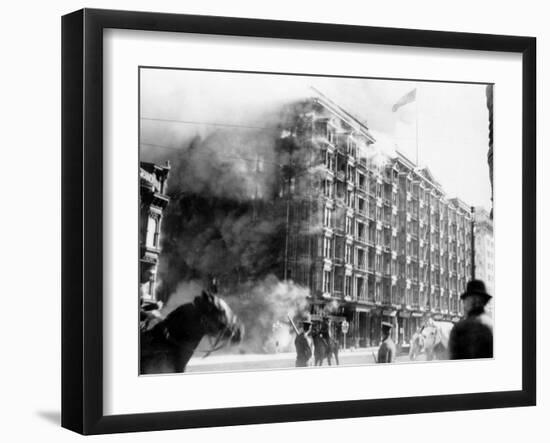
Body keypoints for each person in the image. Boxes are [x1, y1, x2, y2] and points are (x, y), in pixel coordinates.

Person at [448, 279, 493, 359]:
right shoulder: (492, 326)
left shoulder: (460, 329)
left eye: (465, 300)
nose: (463, 304)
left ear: (473, 301)